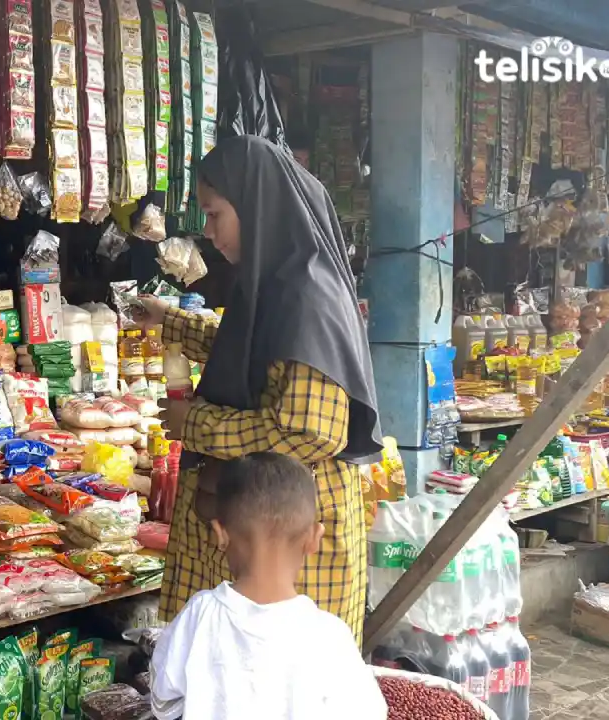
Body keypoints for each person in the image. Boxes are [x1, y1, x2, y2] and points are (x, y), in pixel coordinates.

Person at [141, 135, 381, 643]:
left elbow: (310, 433)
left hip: (291, 544)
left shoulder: (306, 296)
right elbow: (253, 354)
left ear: (255, 207)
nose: (209, 233)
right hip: (261, 523)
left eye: (215, 214)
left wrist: (196, 425)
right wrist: (171, 321)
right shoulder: (271, 283)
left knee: (283, 688)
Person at [149, 453, 387, 720]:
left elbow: (163, 702)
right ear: (314, 539)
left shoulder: (199, 614)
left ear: (220, 533)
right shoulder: (330, 634)